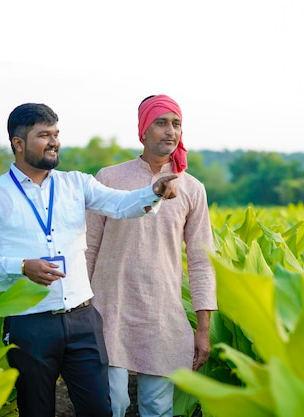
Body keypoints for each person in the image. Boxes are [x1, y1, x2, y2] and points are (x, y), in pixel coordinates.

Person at [0, 102, 178, 417]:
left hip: (83, 321)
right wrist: (21, 267)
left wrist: (154, 191)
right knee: (37, 411)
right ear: (18, 144)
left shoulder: (77, 183)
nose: (54, 142)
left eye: (56, 133)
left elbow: (121, 205)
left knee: (99, 410)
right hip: (28, 322)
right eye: (43, 135)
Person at [85, 94, 217, 417]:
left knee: (157, 408)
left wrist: (203, 328)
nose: (170, 131)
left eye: (176, 124)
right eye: (161, 123)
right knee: (110, 403)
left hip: (161, 314)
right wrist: (80, 310)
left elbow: (201, 261)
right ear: (143, 130)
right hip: (109, 309)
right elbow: (88, 246)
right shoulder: (109, 179)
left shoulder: (192, 188)